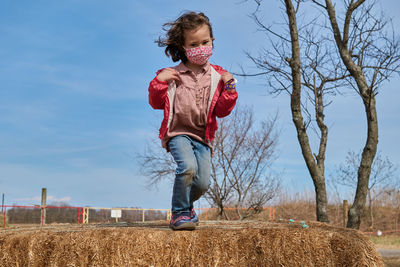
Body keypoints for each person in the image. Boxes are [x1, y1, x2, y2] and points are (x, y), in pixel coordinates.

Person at [148, 11, 238, 230]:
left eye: (204, 42)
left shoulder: (218, 76)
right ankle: (178, 213)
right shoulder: (171, 74)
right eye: (194, 44)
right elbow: (156, 102)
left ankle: (187, 206)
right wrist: (159, 82)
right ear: (183, 47)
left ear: (212, 41)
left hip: (202, 137)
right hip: (177, 132)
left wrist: (230, 88)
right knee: (187, 168)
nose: (200, 48)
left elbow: (222, 110)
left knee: (202, 182)